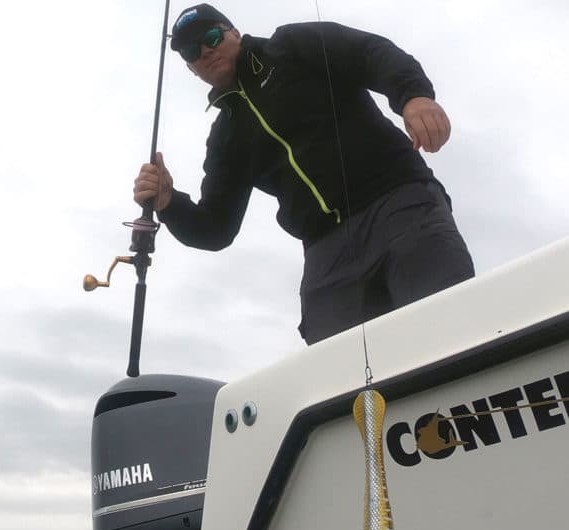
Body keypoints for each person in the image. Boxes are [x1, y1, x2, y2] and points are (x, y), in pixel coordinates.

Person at [133, 4, 475, 344]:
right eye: (192, 51)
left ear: (234, 33)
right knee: (340, 380)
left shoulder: (290, 46)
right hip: (325, 250)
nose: (206, 50)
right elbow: (216, 228)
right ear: (192, 69)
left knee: (448, 331)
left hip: (398, 203)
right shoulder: (226, 136)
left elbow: (369, 52)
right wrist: (168, 203)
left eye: (211, 36)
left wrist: (413, 96)